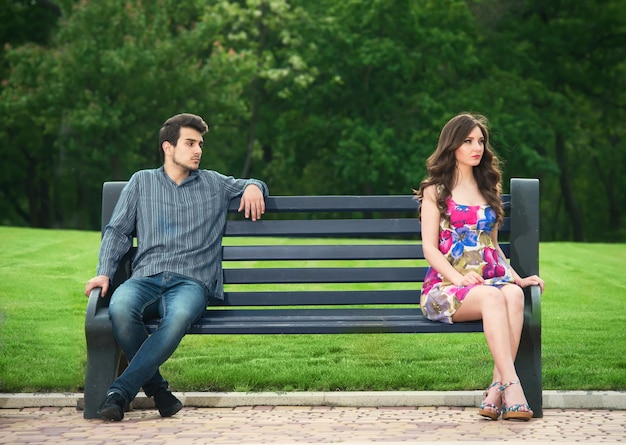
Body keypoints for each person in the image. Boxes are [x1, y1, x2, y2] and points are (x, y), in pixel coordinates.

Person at [84, 113, 268, 421]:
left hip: (192, 282)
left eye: (200, 144)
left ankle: (119, 392)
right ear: (168, 147)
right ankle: (160, 393)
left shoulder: (214, 183)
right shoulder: (141, 181)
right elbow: (117, 231)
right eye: (190, 143)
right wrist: (104, 271)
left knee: (177, 317)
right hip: (145, 278)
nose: (198, 150)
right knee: (119, 308)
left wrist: (254, 186)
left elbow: (252, 182)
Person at [414, 113, 544, 421]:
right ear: (452, 145)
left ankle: (496, 390)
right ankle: (512, 387)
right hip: (445, 289)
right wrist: (460, 279)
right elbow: (429, 249)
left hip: (489, 284)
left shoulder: (490, 188)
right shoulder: (436, 190)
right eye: (468, 141)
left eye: (481, 141)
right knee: (493, 297)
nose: (477, 148)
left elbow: (492, 246)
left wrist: (517, 278)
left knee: (512, 295)